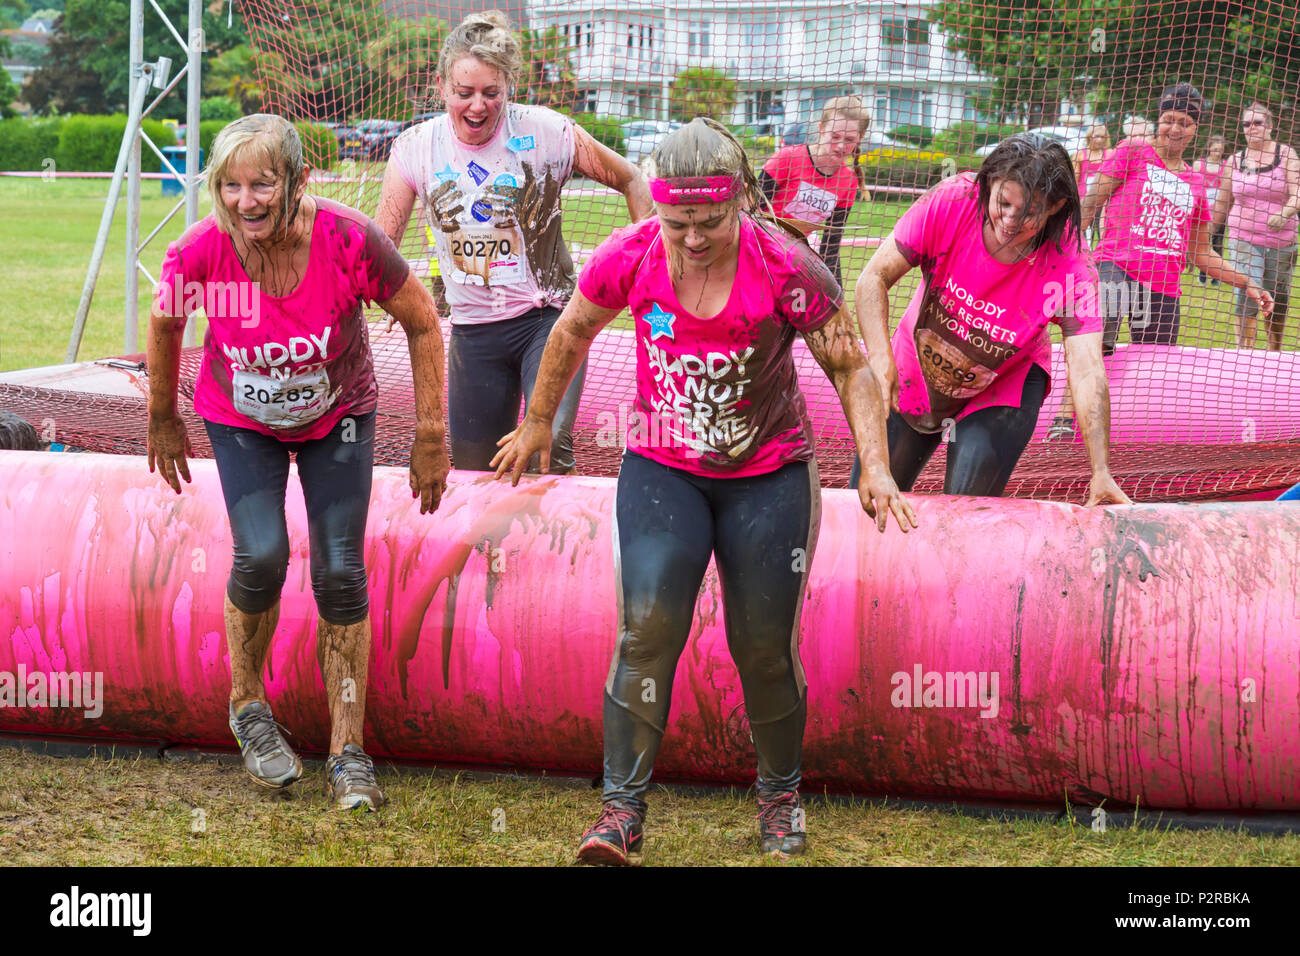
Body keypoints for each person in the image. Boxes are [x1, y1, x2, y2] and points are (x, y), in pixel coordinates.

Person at [492, 118, 916, 864]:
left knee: (761, 646)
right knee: (646, 630)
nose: (690, 238)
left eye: (709, 221)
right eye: (675, 221)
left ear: (742, 201)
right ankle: (620, 813)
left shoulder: (787, 265)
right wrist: (535, 424)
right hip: (665, 471)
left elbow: (850, 367)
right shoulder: (629, 254)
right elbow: (569, 333)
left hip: (770, 475)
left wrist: (876, 467)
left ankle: (780, 797)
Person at [146, 114, 452, 811]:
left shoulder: (348, 240)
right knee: (260, 556)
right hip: (241, 419)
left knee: (339, 570)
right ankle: (247, 704)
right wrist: (162, 418)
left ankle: (348, 752)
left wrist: (430, 431)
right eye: (229, 186)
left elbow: (423, 319)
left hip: (336, 417)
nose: (244, 202)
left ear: (299, 181)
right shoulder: (201, 252)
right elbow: (166, 323)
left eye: (262, 185)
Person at [376, 10, 652, 474]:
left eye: (491, 93)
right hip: (473, 331)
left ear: (510, 88)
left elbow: (632, 178)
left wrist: (649, 261)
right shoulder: (415, 148)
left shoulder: (546, 132)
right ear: (441, 86)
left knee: (546, 450)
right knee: (475, 472)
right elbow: (381, 243)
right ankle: (494, 550)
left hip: (547, 320)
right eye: (464, 94)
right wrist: (388, 295)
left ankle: (558, 544)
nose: (477, 107)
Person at [850, 133, 1130, 505]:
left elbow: (1087, 368)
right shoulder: (952, 201)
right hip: (913, 366)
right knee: (869, 498)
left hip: (1003, 387)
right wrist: (880, 357)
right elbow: (873, 278)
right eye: (1003, 202)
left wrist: (1101, 471)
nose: (1011, 222)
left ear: (1055, 207)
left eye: (1029, 212)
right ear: (988, 184)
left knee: (965, 510)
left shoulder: (1071, 263)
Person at [1048, 84, 1274, 439]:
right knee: (1097, 338)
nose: (1175, 128)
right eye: (1168, 119)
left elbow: (1200, 253)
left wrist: (1247, 282)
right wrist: (1064, 251)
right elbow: (1090, 203)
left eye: (1184, 122)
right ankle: (1063, 419)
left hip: (1163, 287)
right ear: (1158, 120)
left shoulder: (1196, 182)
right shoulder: (1133, 152)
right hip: (1115, 266)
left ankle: (1135, 433)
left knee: (1154, 368)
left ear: (1194, 129)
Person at [1212, 102, 1300, 349]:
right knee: (1248, 292)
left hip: (1281, 241)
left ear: (1270, 126)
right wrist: (1202, 234)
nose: (1252, 128)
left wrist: (1286, 212)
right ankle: (1244, 351)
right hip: (1243, 238)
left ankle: (1274, 350)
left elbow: (1298, 193)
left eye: (1257, 123)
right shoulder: (1234, 160)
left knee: (1278, 297)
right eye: (1246, 124)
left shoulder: (1286, 154)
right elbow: (1222, 203)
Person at [759, 95, 869, 286]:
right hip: (757, 254)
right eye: (834, 136)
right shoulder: (786, 159)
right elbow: (748, 216)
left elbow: (830, 247)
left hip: (792, 264)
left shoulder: (848, 181)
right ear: (821, 129)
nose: (841, 146)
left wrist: (838, 298)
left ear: (860, 138)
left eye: (849, 139)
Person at [1196, 134, 1228, 285]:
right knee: (1203, 242)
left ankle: (1217, 276)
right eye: (1214, 149)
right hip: (1203, 209)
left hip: (1219, 210)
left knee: (1218, 241)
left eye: (1220, 150)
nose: (1217, 153)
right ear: (1209, 148)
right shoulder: (1199, 164)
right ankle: (1203, 272)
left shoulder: (1226, 165)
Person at [1073, 124, 1113, 245]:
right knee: (1081, 231)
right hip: (1084, 199)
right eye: (1097, 136)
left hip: (1104, 199)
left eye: (1103, 137)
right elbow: (1075, 179)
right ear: (1090, 137)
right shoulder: (1080, 155)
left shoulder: (1110, 154)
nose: (1100, 140)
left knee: (1102, 230)